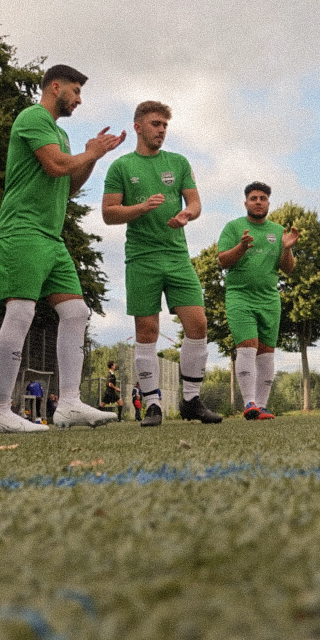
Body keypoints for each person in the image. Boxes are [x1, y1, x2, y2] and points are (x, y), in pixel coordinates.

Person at [0, 64, 124, 433]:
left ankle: (70, 404)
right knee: (20, 313)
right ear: (55, 87)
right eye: (76, 91)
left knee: (76, 312)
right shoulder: (32, 117)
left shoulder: (59, 135)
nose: (79, 100)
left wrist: (93, 155)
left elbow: (68, 185)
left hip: (50, 237)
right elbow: (57, 165)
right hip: (22, 231)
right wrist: (88, 151)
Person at [102, 101, 221, 427]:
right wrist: (140, 207)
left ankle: (191, 401)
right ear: (138, 126)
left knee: (198, 324)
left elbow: (195, 201)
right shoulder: (120, 167)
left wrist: (187, 213)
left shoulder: (178, 162)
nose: (161, 130)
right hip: (141, 258)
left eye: (165, 125)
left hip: (177, 257)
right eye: (155, 124)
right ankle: (152, 404)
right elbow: (109, 213)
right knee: (147, 330)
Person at [215, 182, 299, 421]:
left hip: (270, 299)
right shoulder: (233, 228)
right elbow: (222, 261)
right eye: (254, 198)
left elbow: (288, 268)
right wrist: (241, 247)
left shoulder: (278, 230)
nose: (259, 202)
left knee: (266, 352)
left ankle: (261, 406)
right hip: (239, 296)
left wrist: (286, 249)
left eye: (263, 198)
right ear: (246, 203)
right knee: (248, 345)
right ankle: (249, 402)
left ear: (268, 203)